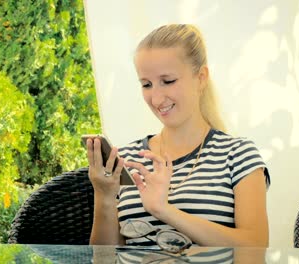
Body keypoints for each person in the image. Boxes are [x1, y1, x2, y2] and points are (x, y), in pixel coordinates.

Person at [86, 24, 270, 248]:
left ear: (201, 77)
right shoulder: (126, 159)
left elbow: (255, 248)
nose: (156, 98)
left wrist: (164, 210)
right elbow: (104, 259)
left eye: (168, 81)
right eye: (146, 84)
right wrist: (104, 197)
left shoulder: (239, 155)